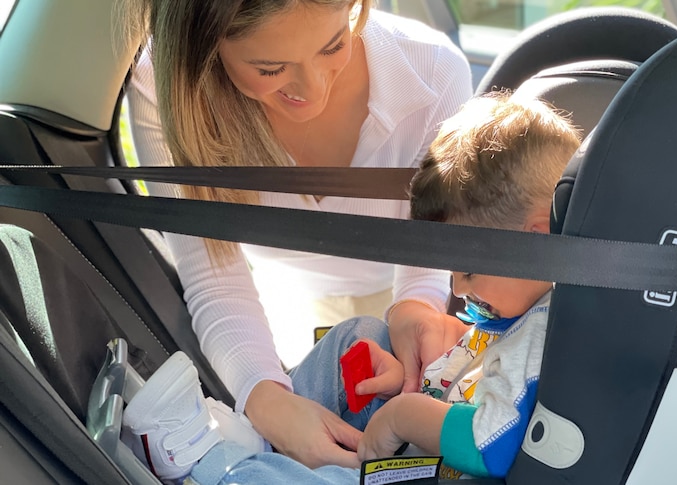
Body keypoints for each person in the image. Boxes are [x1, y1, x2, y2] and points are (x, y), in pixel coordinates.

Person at [122, 92, 582, 483]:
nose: (458, 289)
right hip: (433, 425)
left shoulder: (542, 330)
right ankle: (261, 438)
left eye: (469, 270)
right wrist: (419, 377)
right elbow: (482, 371)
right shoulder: (528, 308)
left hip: (448, 468)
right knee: (356, 337)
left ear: (534, 240)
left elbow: (492, 444)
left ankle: (221, 468)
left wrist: (403, 414)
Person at [122, 0, 473, 468]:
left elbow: (431, 243)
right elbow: (215, 275)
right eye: (270, 68)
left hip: (412, 296)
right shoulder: (164, 91)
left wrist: (416, 307)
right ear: (203, 46)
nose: (314, 89)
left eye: (334, 45)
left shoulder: (434, 73)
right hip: (275, 312)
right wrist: (266, 401)